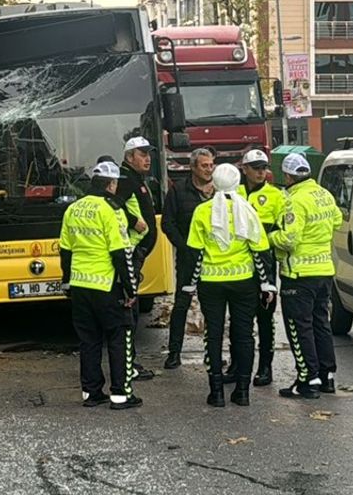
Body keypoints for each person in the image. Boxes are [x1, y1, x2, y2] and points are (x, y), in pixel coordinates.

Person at [58, 160, 141, 410]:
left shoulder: (73, 209)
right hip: (106, 285)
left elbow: (65, 250)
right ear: (112, 184)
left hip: (80, 285)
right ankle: (121, 394)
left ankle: (91, 392)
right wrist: (130, 288)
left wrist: (66, 281)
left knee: (89, 340)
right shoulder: (111, 210)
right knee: (119, 337)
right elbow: (120, 253)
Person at [185, 164, 269, 407]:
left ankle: (217, 392)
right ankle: (242, 391)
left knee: (213, 334)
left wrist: (189, 285)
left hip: (211, 283)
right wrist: (266, 284)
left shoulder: (203, 211)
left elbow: (195, 253)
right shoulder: (248, 210)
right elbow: (260, 251)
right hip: (244, 282)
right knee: (244, 335)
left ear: (214, 182)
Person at [269, 153, 342, 399]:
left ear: (288, 176)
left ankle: (307, 380)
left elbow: (289, 239)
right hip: (324, 272)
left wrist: (268, 237)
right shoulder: (324, 195)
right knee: (321, 324)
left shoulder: (294, 200)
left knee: (299, 328)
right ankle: (326, 376)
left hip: (299, 275)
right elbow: (337, 222)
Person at [159, 148, 215, 369]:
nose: (209, 169)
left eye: (211, 165)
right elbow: (167, 223)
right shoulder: (178, 190)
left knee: (212, 307)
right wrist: (183, 246)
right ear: (193, 167)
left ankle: (212, 353)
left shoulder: (220, 190)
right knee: (181, 305)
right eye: (204, 165)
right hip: (187, 260)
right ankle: (174, 353)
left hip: (213, 260)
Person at [238, 149, 286, 387]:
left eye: (263, 167)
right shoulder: (233, 192)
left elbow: (284, 228)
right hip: (237, 265)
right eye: (255, 168)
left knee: (265, 317)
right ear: (244, 169)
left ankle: (265, 367)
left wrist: (264, 235)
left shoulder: (276, 195)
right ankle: (238, 364)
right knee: (239, 319)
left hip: (265, 265)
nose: (260, 172)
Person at [114, 135, 158, 382]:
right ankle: (128, 364)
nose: (147, 158)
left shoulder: (137, 178)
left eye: (148, 153)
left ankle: (129, 361)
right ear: (129, 157)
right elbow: (113, 204)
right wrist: (134, 222)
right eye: (142, 154)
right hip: (130, 251)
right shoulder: (125, 179)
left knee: (132, 306)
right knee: (129, 307)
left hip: (136, 251)